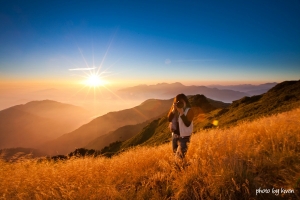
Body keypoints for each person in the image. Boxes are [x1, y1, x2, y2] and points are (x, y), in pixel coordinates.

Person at [168, 93, 194, 158]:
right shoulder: (175, 110)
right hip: (175, 136)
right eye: (178, 102)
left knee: (180, 158)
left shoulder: (190, 111)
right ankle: (183, 167)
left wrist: (182, 113)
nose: (180, 104)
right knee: (175, 156)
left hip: (184, 138)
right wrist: (174, 110)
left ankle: (181, 167)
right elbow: (169, 119)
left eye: (182, 102)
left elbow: (187, 124)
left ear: (185, 102)